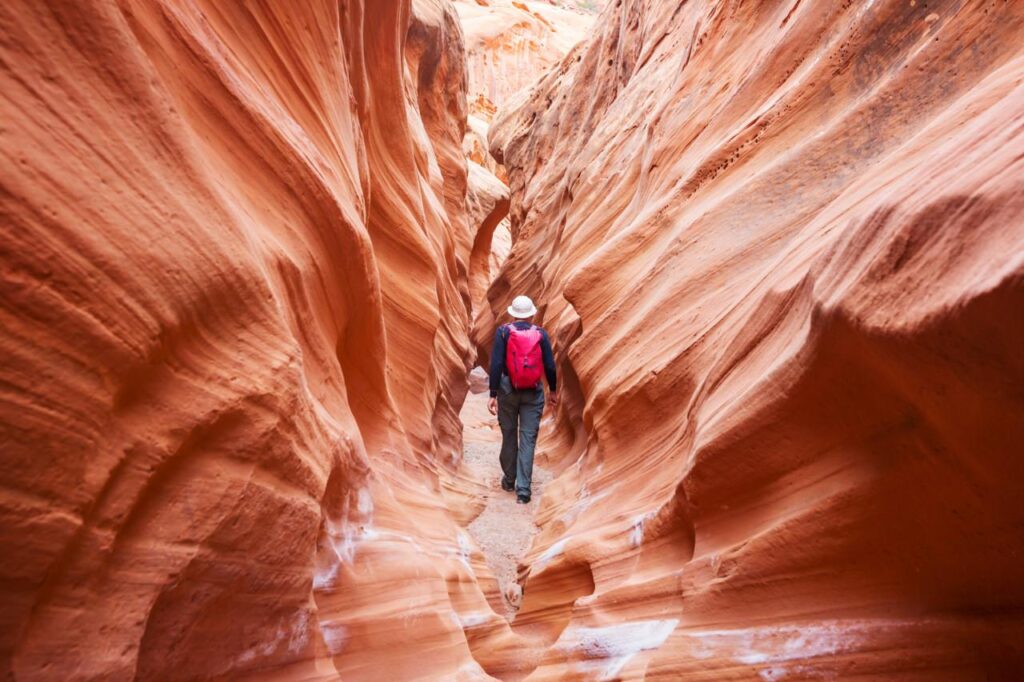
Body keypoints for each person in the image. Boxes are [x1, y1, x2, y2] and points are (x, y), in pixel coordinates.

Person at [487, 295, 558, 504]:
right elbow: (550, 366)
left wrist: (493, 393)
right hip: (533, 391)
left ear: (512, 313)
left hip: (507, 390)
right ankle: (524, 491)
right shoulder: (541, 334)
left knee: (509, 435)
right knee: (528, 439)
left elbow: (497, 364)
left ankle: (509, 480)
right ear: (532, 314)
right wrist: (552, 390)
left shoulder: (503, 333)